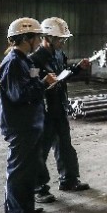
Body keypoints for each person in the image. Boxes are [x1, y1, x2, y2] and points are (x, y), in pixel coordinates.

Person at [0, 17, 57, 213]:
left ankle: (22, 209)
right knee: (19, 171)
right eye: (37, 37)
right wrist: (42, 83)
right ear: (26, 38)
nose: (40, 41)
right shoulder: (14, 62)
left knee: (26, 170)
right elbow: (18, 94)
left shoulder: (24, 60)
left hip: (29, 124)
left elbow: (28, 87)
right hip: (20, 126)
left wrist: (40, 83)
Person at [30, 16, 90, 203]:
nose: (62, 42)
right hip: (44, 111)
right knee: (41, 150)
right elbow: (31, 87)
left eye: (64, 39)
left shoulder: (58, 55)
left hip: (59, 107)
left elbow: (64, 75)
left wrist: (77, 68)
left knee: (65, 145)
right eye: (59, 39)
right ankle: (39, 189)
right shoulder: (34, 59)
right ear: (46, 38)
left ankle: (69, 180)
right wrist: (44, 83)